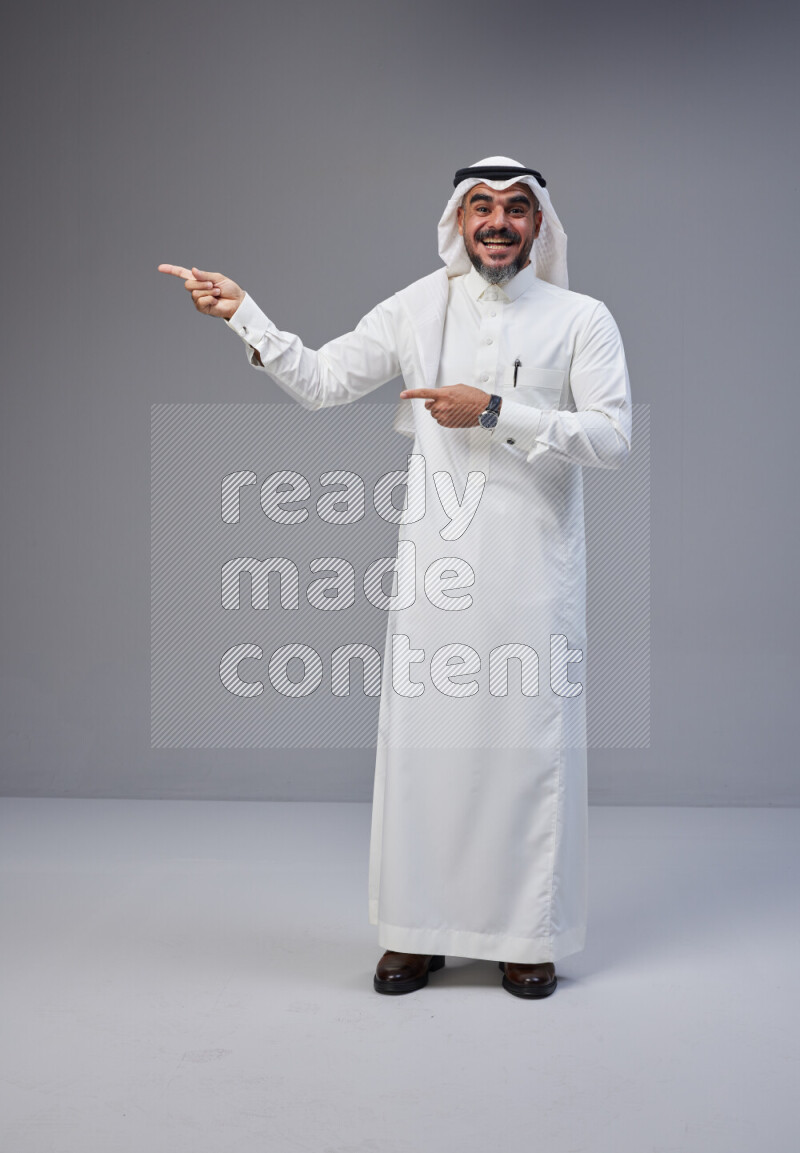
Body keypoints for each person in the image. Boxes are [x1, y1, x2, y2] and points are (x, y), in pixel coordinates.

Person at [158, 154, 632, 1000]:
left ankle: (527, 935)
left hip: (534, 570)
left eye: (516, 208)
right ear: (457, 219)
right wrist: (246, 317)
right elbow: (326, 380)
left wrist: (493, 410)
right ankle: (416, 933)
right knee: (425, 748)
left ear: (539, 226)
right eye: (480, 206)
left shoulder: (580, 318)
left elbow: (613, 438)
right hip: (436, 572)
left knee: (525, 746)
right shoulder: (419, 306)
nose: (497, 221)